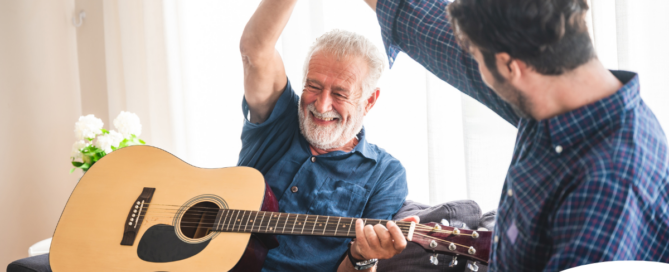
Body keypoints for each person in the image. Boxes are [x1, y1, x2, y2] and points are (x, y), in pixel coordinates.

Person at [361, 0, 669, 271]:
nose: (475, 68)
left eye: (478, 59)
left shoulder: (608, 188)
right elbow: (422, 23)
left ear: (510, 66)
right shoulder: (555, 82)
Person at [237, 1, 416, 271]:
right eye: (313, 86)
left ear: (369, 101)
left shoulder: (385, 173)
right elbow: (255, 51)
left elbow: (355, 266)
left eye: (340, 94)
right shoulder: (280, 119)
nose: (321, 106)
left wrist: (362, 256)